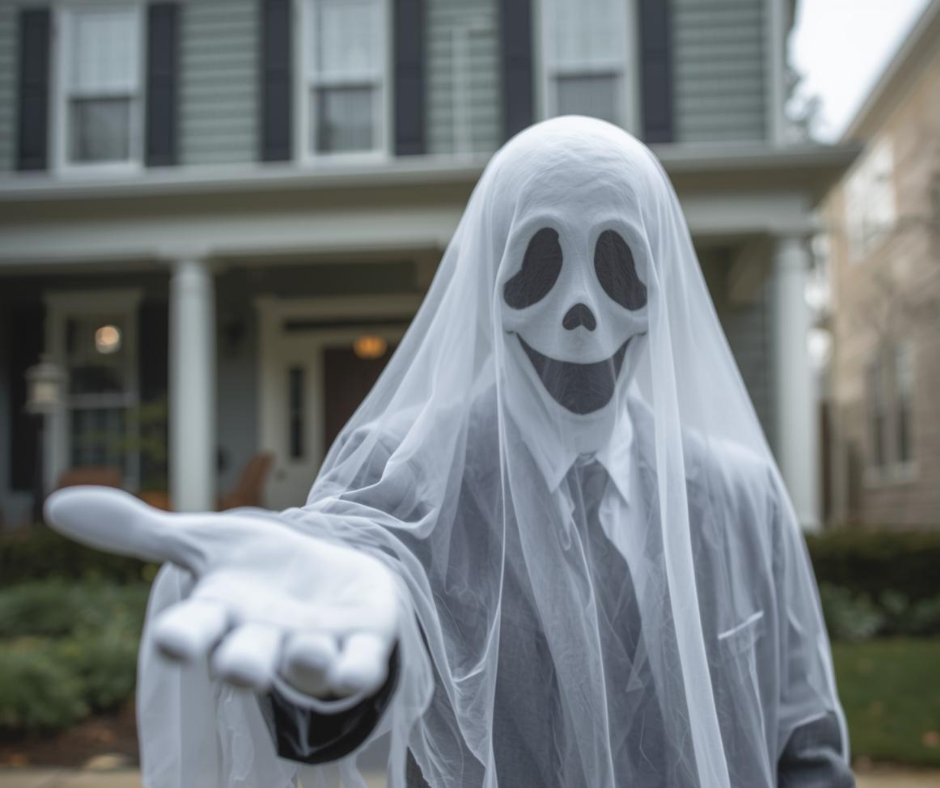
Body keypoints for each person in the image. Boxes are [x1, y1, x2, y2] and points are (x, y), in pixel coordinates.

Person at [45, 117, 854, 788]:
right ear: (485, 282)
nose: (578, 310)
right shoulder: (401, 476)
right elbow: (355, 635)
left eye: (616, 264)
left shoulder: (741, 497)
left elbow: (804, 738)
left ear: (659, 283)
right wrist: (321, 690)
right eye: (538, 262)